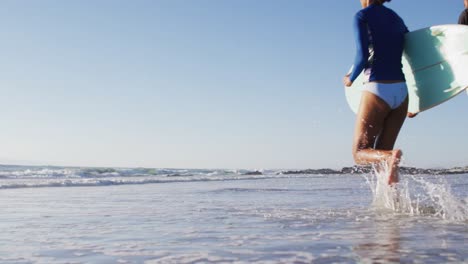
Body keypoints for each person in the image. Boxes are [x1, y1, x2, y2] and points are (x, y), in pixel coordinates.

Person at [343, 0, 409, 185]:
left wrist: (350, 78)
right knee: (382, 157)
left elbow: (362, 56)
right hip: (403, 92)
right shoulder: (397, 18)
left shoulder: (362, 16)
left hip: (378, 87)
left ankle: (391, 156)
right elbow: (414, 53)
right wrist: (421, 101)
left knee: (360, 152)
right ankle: (392, 208)